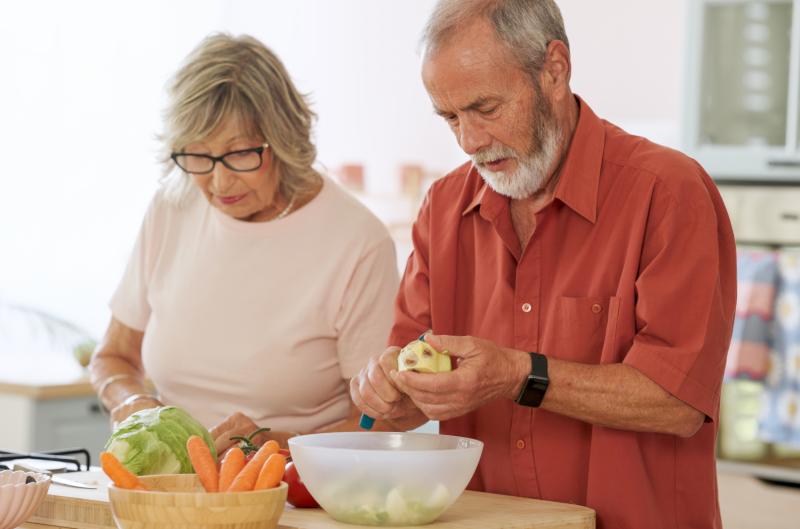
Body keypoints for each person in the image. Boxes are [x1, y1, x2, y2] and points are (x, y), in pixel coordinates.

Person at [350, 1, 736, 528]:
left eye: (486, 108)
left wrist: (517, 375)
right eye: (450, 118)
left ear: (554, 69)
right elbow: (410, 386)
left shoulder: (667, 193)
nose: (470, 141)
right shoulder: (442, 209)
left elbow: (677, 400)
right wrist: (390, 390)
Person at [89, 33, 399, 454]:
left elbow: (378, 419)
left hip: (295, 493)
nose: (219, 182)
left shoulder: (358, 241)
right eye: (197, 155)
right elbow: (113, 357)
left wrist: (275, 445)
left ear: (285, 140)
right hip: (174, 488)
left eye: (239, 155)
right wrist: (132, 403)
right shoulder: (173, 205)